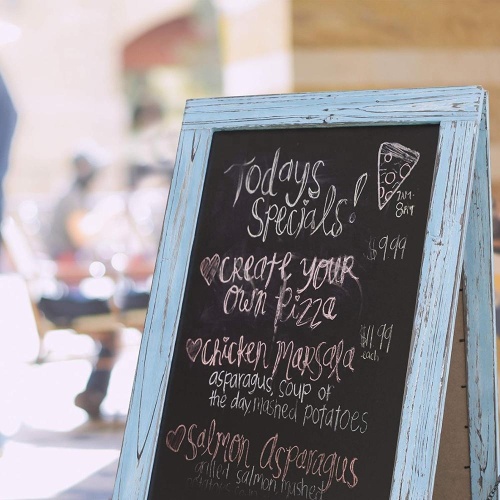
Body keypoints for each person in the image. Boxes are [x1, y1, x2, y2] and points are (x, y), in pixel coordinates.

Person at [39, 144, 119, 420]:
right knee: (118, 318)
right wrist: (106, 217)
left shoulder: (69, 195)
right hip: (63, 293)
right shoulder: (72, 198)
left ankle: (94, 394)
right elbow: (81, 238)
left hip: (64, 287)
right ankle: (95, 394)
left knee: (115, 323)